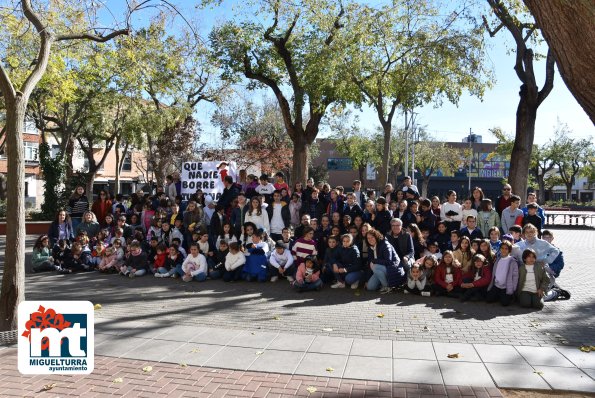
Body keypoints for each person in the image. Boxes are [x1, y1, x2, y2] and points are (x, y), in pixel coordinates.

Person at [365, 228, 405, 293]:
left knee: (375, 266)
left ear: (377, 236)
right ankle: (383, 283)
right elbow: (370, 264)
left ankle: (387, 287)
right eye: (368, 238)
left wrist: (375, 261)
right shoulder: (370, 248)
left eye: (372, 237)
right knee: (370, 287)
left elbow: (388, 262)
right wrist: (367, 280)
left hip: (393, 269)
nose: (370, 239)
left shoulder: (385, 244)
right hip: (379, 270)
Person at [486, 240, 519, 306]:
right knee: (488, 299)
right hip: (497, 285)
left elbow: (515, 275)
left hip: (506, 286)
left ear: (509, 250)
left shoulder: (512, 261)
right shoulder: (498, 259)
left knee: (505, 303)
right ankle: (498, 295)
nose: (504, 250)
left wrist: (513, 288)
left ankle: (507, 296)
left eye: (506, 249)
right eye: (502, 248)